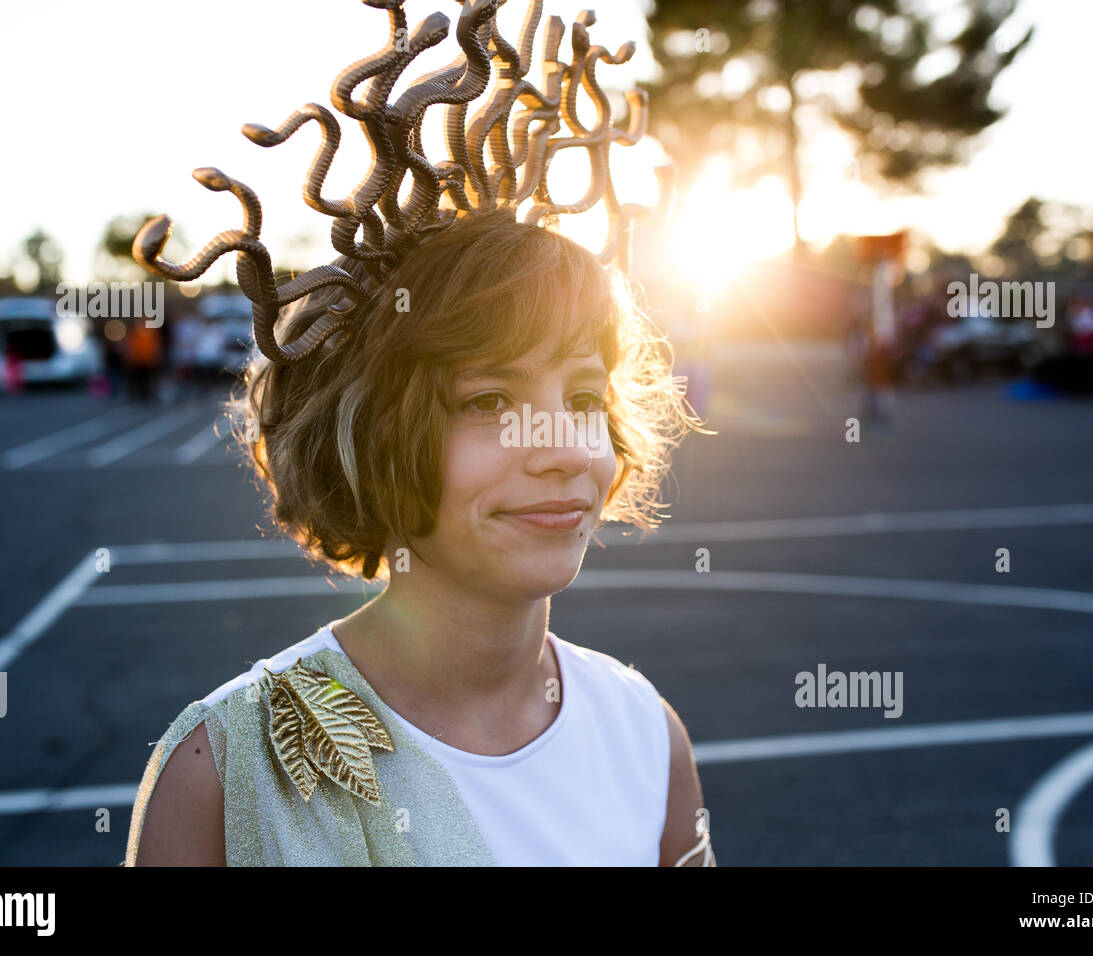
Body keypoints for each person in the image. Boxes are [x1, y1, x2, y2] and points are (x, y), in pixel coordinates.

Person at [124, 0, 715, 867]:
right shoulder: (228, 770)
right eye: (484, 401)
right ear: (369, 428)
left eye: (584, 395)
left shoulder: (646, 734)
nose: (560, 445)